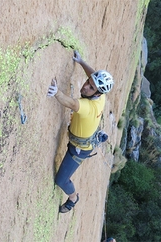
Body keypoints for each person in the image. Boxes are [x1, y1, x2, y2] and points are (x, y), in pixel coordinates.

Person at [47, 50, 114, 213]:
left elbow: (70, 103)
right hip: (82, 140)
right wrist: (82, 62)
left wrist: (57, 93)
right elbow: (93, 76)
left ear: (97, 93)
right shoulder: (101, 95)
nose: (85, 86)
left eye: (90, 88)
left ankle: (73, 197)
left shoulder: (88, 107)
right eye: (87, 82)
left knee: (61, 180)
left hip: (79, 150)